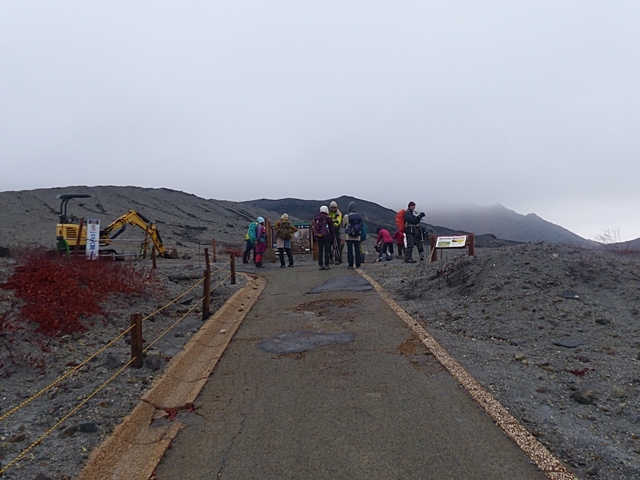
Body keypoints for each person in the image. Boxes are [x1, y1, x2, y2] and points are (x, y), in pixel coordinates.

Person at [313, 206, 335, 270]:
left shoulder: (316, 218)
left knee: (320, 251)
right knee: (327, 251)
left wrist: (314, 237)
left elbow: (314, 228)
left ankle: (320, 264)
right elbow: (331, 228)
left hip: (319, 237)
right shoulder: (328, 218)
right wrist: (332, 237)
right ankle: (327, 264)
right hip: (327, 237)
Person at [343, 201, 363, 269]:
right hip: (357, 236)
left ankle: (350, 265)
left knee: (350, 251)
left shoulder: (346, 216)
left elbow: (344, 225)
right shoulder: (359, 216)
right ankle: (358, 264)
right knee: (357, 250)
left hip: (349, 236)